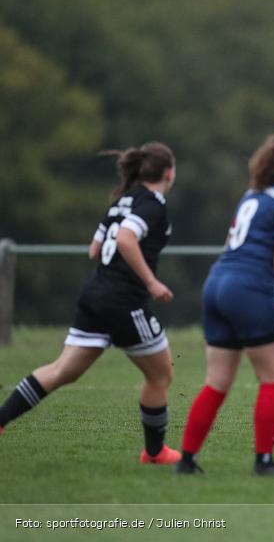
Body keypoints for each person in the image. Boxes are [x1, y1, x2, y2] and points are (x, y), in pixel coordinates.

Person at [0, 143, 181, 465]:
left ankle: (1, 420)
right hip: (124, 300)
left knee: (61, 370)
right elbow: (125, 239)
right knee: (160, 376)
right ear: (169, 173)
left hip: (95, 293)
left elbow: (94, 250)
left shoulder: (120, 202)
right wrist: (151, 282)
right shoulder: (153, 204)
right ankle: (155, 453)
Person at [177, 131, 274, 476]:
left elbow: (234, 241)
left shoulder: (252, 194)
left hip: (218, 282)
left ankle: (187, 460)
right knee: (273, 378)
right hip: (249, 288)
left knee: (217, 380)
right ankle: (264, 462)